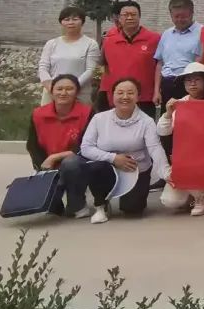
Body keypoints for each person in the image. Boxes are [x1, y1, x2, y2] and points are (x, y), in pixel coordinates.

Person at [59, 78, 169, 223]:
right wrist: (114, 158)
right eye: (120, 93)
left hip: (135, 169)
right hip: (106, 167)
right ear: (112, 96)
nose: (125, 97)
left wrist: (166, 172)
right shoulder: (99, 118)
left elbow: (155, 148)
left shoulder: (146, 121)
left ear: (138, 97)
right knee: (97, 165)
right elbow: (86, 148)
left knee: (132, 209)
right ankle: (101, 204)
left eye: (130, 93)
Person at [27, 76, 93, 212]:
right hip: (49, 165)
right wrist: (41, 167)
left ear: (77, 92)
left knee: (71, 163)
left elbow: (86, 146)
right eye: (59, 89)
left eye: (69, 89)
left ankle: (77, 205)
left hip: (78, 163)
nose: (63, 93)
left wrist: (55, 157)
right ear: (52, 91)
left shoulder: (87, 113)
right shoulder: (38, 114)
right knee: (51, 208)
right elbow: (32, 145)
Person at [157, 62, 204, 216]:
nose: (192, 83)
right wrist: (168, 114)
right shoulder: (179, 104)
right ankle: (195, 193)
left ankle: (201, 197)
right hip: (187, 159)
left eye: (197, 79)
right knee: (171, 201)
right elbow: (162, 131)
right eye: (188, 80)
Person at [98, 1, 159, 117]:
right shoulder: (108, 41)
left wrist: (157, 91)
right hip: (117, 97)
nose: (130, 18)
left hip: (144, 98)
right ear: (119, 18)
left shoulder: (155, 39)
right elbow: (102, 66)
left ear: (139, 16)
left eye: (133, 14)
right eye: (125, 15)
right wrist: (100, 88)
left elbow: (159, 67)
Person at [38, 6, 100, 105]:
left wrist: (72, 87)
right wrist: (51, 86)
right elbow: (43, 67)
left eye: (75, 19)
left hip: (80, 92)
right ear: (61, 22)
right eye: (66, 19)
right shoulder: (51, 43)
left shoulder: (90, 44)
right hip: (52, 91)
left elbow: (91, 70)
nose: (71, 22)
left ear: (82, 22)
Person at [153, 0, 202, 110]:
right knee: (167, 118)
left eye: (184, 16)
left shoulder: (203, 32)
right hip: (167, 84)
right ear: (170, 15)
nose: (180, 20)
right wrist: (156, 91)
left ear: (192, 13)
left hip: (189, 85)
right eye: (176, 16)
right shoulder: (167, 34)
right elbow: (160, 64)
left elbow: (200, 61)